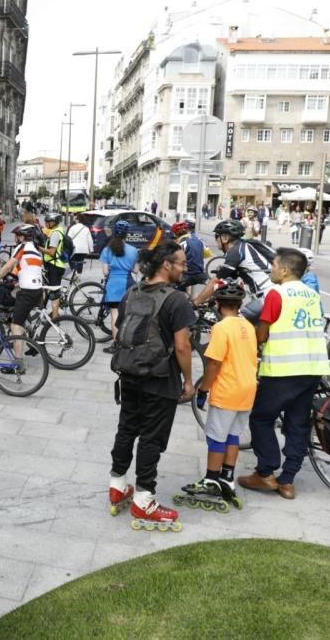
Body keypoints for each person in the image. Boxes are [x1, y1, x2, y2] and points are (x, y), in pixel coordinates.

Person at [107, 242, 194, 530]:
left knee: (127, 428)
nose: (184, 268)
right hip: (160, 378)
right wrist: (189, 381)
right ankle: (144, 499)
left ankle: (118, 484)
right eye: (180, 263)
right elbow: (182, 346)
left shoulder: (132, 292)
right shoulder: (177, 300)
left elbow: (119, 330)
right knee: (152, 439)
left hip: (130, 374)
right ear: (166, 265)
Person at [238, 248, 330, 500]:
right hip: (312, 369)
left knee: (260, 418)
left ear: (285, 270)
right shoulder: (312, 294)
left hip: (282, 370)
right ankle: (288, 480)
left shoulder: (276, 293)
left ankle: (265, 472)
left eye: (274, 265)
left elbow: (263, 332)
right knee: (297, 423)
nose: (271, 269)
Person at [178, 279, 256, 510]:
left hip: (228, 390)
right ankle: (227, 478)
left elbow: (213, 363)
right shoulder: (248, 326)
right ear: (239, 304)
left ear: (218, 304)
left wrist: (203, 391)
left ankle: (211, 479)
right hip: (247, 390)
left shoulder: (221, 328)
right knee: (233, 436)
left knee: (216, 437)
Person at [0, 224, 44, 371]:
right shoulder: (35, 249)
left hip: (27, 292)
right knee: (12, 310)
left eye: (17, 235)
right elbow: (23, 269)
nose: (15, 238)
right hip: (36, 291)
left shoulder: (22, 247)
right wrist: (14, 280)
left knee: (15, 326)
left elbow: (9, 265)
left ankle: (19, 364)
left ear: (21, 236)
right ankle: (28, 334)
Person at [194, 220, 273, 317]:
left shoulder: (236, 252)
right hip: (272, 292)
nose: (216, 240)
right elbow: (227, 280)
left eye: (216, 236)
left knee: (238, 322)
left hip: (268, 294)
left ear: (225, 238)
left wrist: (196, 302)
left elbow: (216, 281)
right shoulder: (243, 246)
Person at [99, 221, 139, 353]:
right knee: (128, 316)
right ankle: (128, 342)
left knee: (114, 315)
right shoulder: (133, 250)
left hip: (113, 286)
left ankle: (115, 345)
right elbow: (136, 270)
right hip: (128, 285)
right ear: (127, 234)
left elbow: (105, 272)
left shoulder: (107, 250)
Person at [40, 213, 69, 317]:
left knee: (54, 292)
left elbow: (52, 252)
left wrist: (39, 248)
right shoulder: (56, 231)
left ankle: (55, 316)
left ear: (53, 223)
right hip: (54, 265)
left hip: (55, 266)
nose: (46, 223)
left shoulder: (55, 233)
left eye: (47, 221)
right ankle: (54, 312)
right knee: (52, 290)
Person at [176, 220, 207, 296]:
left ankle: (185, 301)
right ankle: (188, 297)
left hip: (189, 274)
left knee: (175, 284)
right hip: (201, 273)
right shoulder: (199, 239)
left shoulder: (181, 243)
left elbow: (176, 259)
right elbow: (207, 254)